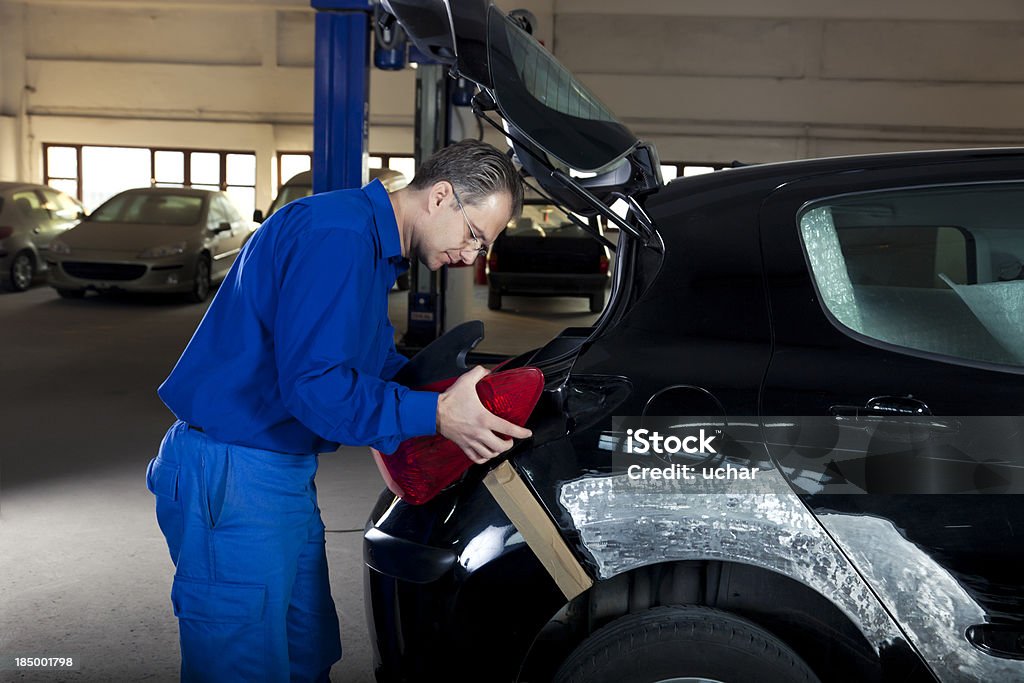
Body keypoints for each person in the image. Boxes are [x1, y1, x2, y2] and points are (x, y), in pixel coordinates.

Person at [145, 139, 530, 682]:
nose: (472, 256)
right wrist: (437, 415)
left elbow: (367, 367)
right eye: (474, 235)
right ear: (441, 197)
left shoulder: (369, 249)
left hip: (279, 473)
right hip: (233, 474)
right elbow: (318, 390)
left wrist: (457, 390)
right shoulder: (336, 238)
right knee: (241, 668)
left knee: (307, 652)